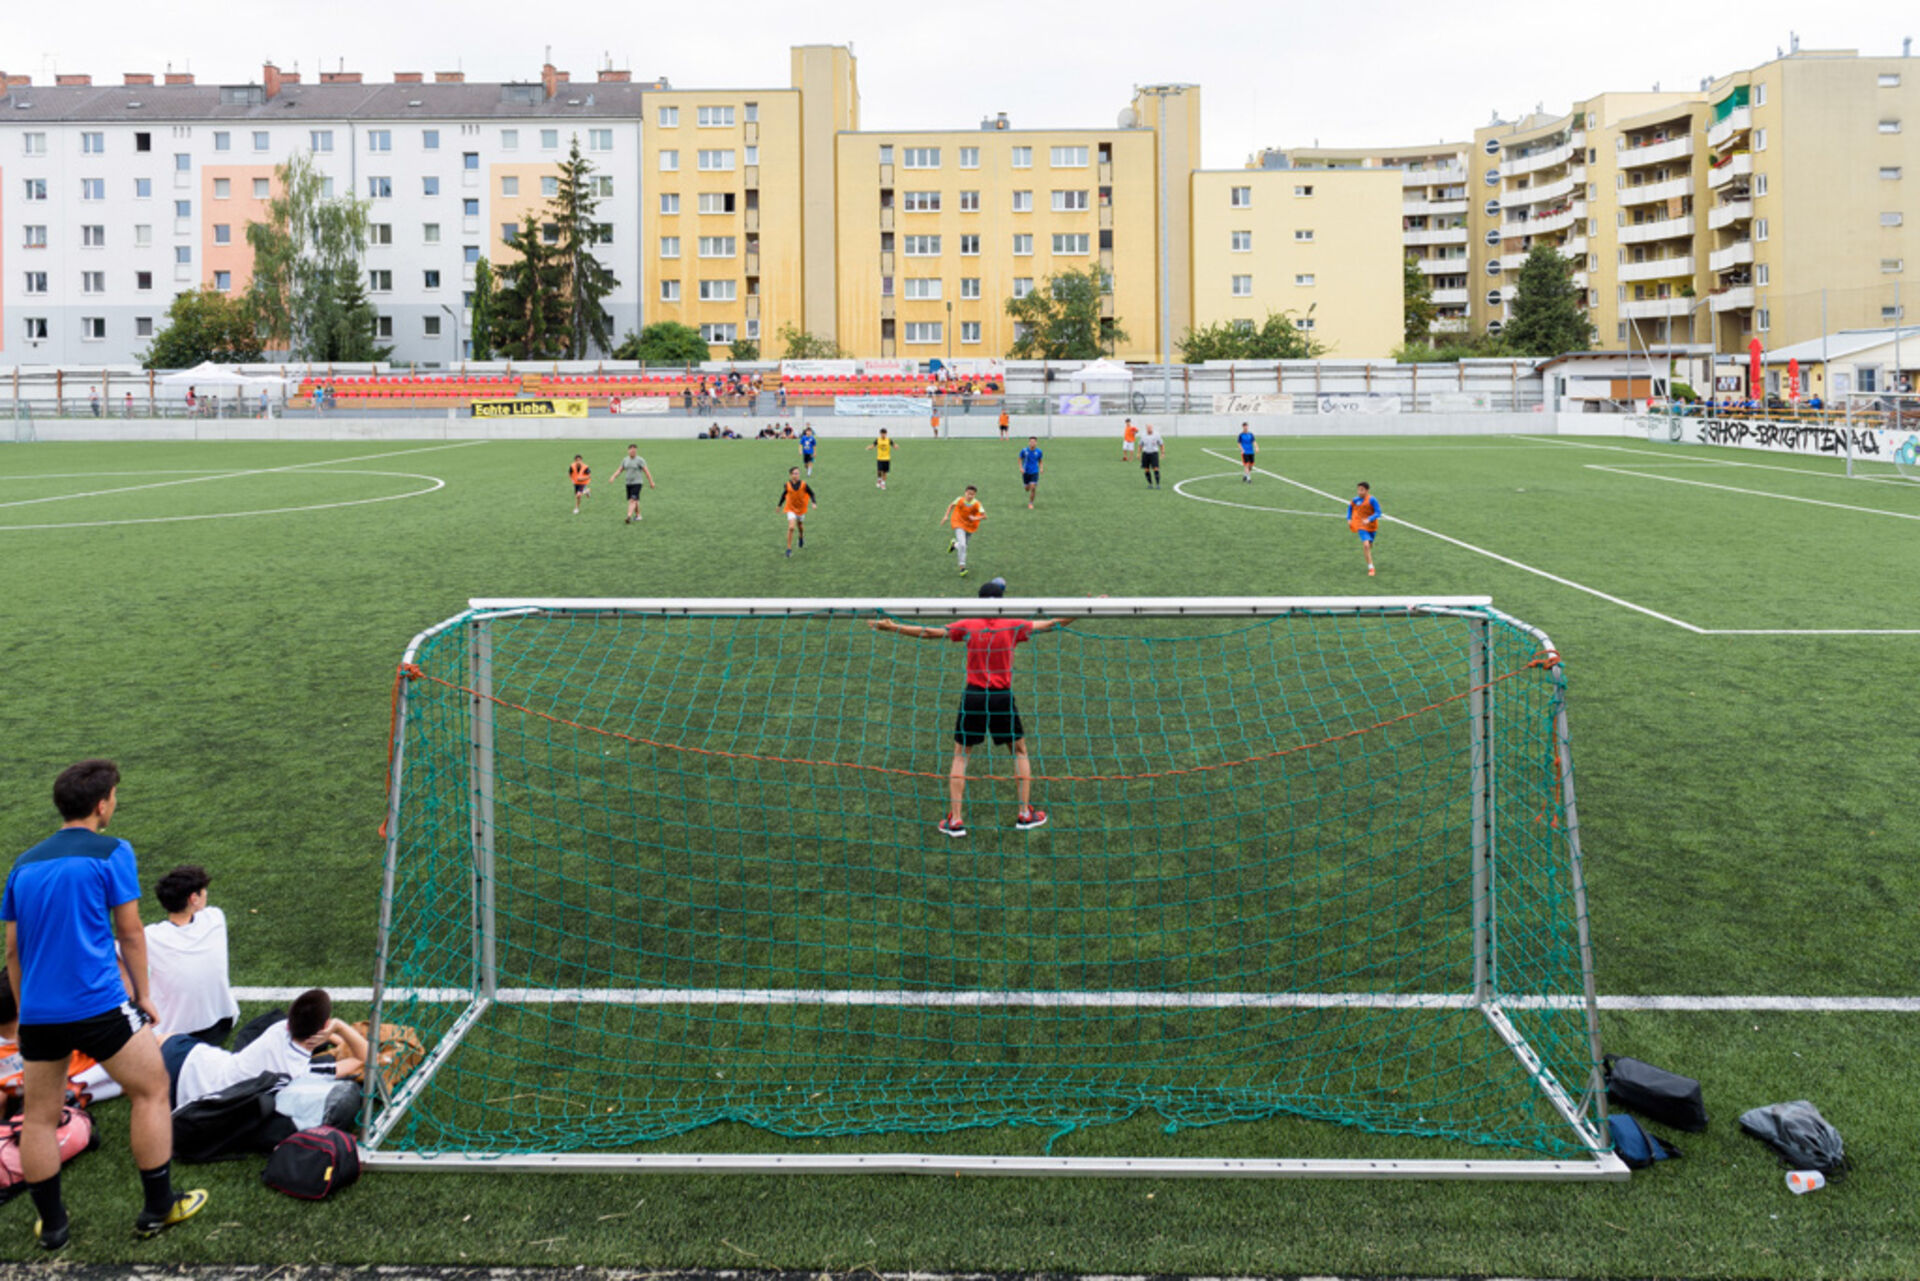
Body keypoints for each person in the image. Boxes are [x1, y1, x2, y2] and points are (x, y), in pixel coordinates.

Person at [2, 760, 205, 1248]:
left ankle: (53, 1226)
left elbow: (13, 951)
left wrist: (29, 1013)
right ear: (101, 804)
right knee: (152, 1089)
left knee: (40, 1117)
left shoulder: (23, 864)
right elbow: (130, 932)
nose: (115, 802)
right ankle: (158, 1208)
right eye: (114, 795)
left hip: (40, 1016)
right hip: (98, 1007)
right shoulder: (113, 851)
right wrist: (145, 996)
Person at [868, 579, 1072, 837]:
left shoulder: (968, 624)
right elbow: (1051, 624)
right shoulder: (1013, 624)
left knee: (961, 755)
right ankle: (1024, 814)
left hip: (973, 697)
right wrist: (1081, 611)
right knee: (1019, 751)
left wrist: (892, 627)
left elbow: (930, 633)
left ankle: (956, 820)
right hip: (1001, 698)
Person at [164, 988, 365, 1112]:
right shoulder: (303, 1073)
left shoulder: (277, 1030)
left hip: (192, 1057)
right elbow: (363, 1057)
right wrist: (339, 1028)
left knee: (161, 1041)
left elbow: (304, 1021)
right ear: (324, 1026)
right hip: (185, 1093)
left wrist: (332, 1035)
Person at [143, 865, 240, 1046]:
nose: (206, 895)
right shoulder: (215, 918)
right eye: (203, 892)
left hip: (174, 1034)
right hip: (223, 1022)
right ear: (193, 898)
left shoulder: (150, 936)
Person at [943, 485, 986, 577]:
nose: (970, 496)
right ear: (965, 493)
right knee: (963, 545)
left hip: (970, 526)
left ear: (975, 495)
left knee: (964, 545)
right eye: (968, 494)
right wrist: (946, 516)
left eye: (972, 494)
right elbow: (951, 505)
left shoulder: (977, 504)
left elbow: (984, 516)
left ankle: (954, 544)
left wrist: (975, 517)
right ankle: (962, 567)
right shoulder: (959, 499)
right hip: (958, 523)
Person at [777, 466, 817, 558]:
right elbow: (784, 494)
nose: (797, 475)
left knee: (800, 526)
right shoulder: (787, 485)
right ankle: (789, 549)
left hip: (801, 509)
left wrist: (813, 502)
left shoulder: (804, 484)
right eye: (795, 473)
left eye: (798, 473)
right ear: (791, 475)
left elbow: (812, 493)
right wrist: (779, 505)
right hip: (790, 508)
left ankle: (801, 537)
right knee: (791, 527)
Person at [613, 445, 656, 525]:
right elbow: (620, 469)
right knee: (634, 500)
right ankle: (638, 516)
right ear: (628, 451)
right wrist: (613, 477)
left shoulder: (640, 460)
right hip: (628, 483)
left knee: (632, 500)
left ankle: (628, 516)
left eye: (634, 451)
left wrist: (651, 482)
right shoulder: (625, 460)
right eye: (631, 451)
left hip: (637, 483)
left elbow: (646, 471)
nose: (633, 452)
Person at [1348, 481, 1381, 577]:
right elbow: (1350, 508)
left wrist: (1369, 519)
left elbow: (1378, 513)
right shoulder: (1355, 500)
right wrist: (1349, 519)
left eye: (1361, 490)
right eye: (1358, 490)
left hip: (1372, 526)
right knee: (1366, 546)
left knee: (1369, 545)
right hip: (1361, 526)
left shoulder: (1372, 500)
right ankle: (1371, 567)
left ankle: (1369, 543)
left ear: (1367, 491)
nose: (1359, 492)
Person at [1018, 436, 1044, 509]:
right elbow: (1020, 459)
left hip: (1035, 471)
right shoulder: (1024, 451)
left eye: (1034, 442)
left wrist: (1041, 468)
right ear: (1029, 442)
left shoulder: (1039, 451)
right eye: (1031, 442)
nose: (1032, 443)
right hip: (1026, 472)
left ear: (1036, 443)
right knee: (1027, 489)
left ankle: (1030, 503)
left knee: (1033, 487)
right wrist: (1021, 468)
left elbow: (1040, 461)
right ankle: (1027, 485)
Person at [1139, 423, 1165, 489]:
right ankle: (1150, 484)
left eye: (1150, 427)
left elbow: (1161, 444)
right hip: (1145, 454)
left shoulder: (1157, 435)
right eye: (1148, 428)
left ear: (1152, 428)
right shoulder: (1143, 435)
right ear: (1146, 428)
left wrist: (1162, 453)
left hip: (1154, 453)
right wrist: (1138, 453)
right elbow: (1140, 445)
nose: (1149, 429)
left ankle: (1158, 484)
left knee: (1156, 468)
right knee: (1146, 470)